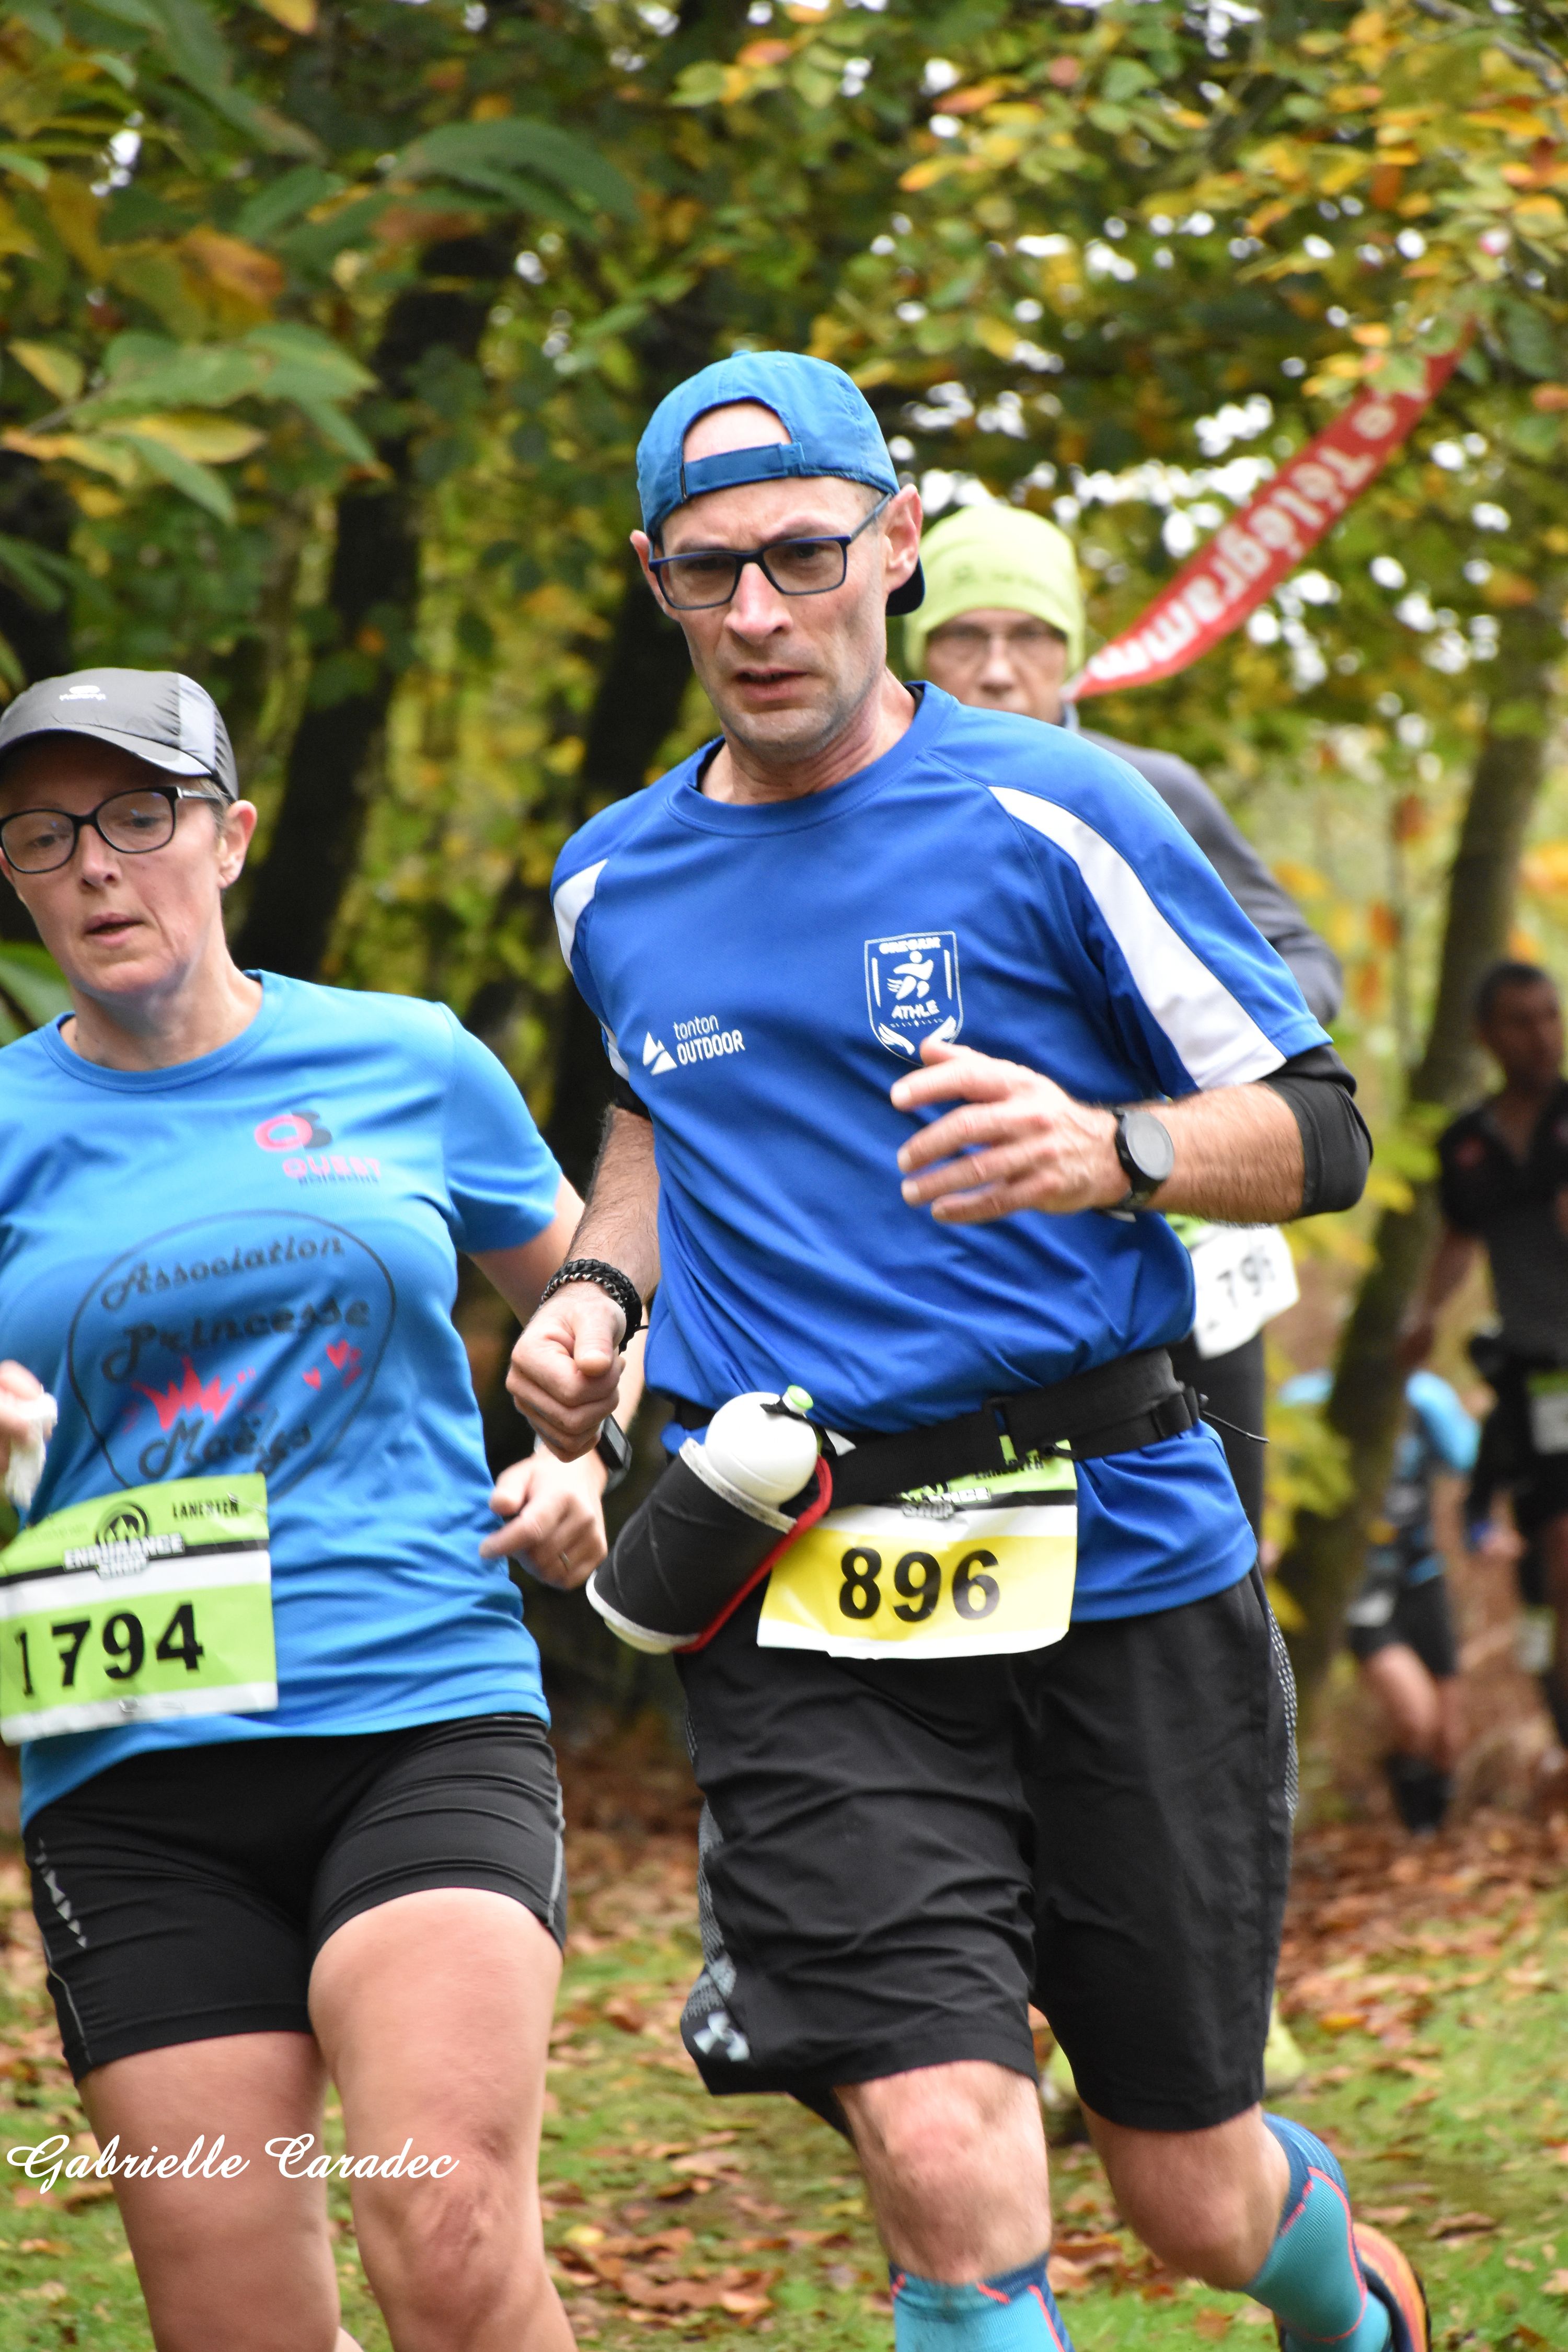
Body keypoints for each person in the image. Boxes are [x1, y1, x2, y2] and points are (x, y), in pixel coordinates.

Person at [507, 351, 1426, 2352]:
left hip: (1121, 1556)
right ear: (656, 584)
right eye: (707, 573)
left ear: (895, 543)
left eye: (802, 556)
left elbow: (1325, 1130)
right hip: (804, 1577)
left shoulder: (1060, 811)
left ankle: (1348, 2309)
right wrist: (597, 1295)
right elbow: (654, 1118)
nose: (759, 612)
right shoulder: (612, 879)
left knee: (1186, 2184)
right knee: (945, 2151)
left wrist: (1114, 1151)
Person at [0, 667, 636, 2352]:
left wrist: (583, 1452)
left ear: (230, 838)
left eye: (139, 817)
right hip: (127, 1766)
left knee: (447, 2224)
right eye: (44, 836)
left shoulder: (407, 1058)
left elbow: (605, 1301)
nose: (95, 864)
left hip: (416, 1706)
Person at [908, 502, 1342, 1544]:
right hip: (980, 1252)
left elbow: (1299, 964)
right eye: (965, 636)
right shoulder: (883, 809)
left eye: (1031, 635)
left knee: (1218, 1553)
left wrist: (1178, 1073)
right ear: (917, 650)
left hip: (1181, 1228)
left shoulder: (1145, 790)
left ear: (1073, 652)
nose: (998, 669)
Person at [1404, 959, 1568, 1793]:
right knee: (1552, 1563)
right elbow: (1458, 1240)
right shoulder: (1468, 1145)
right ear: (1486, 1034)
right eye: (1521, 1020)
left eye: (1551, 1016)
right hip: (1541, 1383)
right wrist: (1424, 1315)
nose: (1541, 1036)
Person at [1283, 1370, 1475, 1833]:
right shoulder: (1313, 1404)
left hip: (1421, 1576)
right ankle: (1416, 1833)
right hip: (1362, 1591)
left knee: (1449, 1734)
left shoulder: (1425, 1400)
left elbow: (1467, 1460)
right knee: (1416, 1716)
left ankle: (1430, 1837)